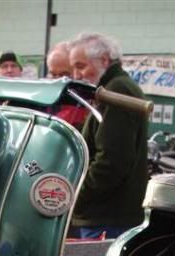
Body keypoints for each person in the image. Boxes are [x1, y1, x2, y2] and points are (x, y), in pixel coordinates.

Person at [68, 33, 149, 240]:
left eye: (81, 66)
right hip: (108, 215)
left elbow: (111, 162)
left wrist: (75, 196)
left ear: (104, 60)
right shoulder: (117, 87)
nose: (76, 75)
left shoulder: (116, 90)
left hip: (107, 217)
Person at [46, 41, 88, 129]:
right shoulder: (41, 98)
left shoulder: (85, 101)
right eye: (53, 74)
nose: (57, 80)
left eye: (64, 75)